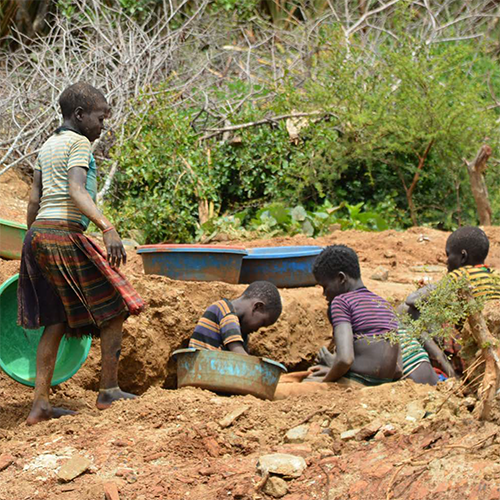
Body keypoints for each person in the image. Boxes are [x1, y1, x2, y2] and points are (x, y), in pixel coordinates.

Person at [18, 82, 145, 425]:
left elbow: (34, 200)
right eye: (101, 118)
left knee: (55, 320)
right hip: (63, 234)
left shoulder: (47, 145)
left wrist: (31, 243)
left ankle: (40, 404)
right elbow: (76, 191)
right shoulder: (77, 143)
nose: (103, 125)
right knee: (116, 305)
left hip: (39, 235)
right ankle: (109, 390)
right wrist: (107, 226)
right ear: (79, 115)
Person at [404, 226, 500, 376]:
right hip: (493, 350)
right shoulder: (495, 276)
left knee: (407, 312)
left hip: (469, 352)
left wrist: (432, 288)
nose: (446, 261)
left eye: (448, 255)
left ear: (463, 257)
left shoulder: (458, 276)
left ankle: (449, 371)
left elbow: (412, 300)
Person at [309, 245, 400, 386]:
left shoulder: (341, 302)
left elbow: (345, 359)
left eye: (325, 286)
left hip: (358, 381)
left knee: (308, 381)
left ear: (341, 278)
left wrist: (326, 382)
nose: (324, 294)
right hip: (384, 385)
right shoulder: (384, 305)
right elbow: (398, 370)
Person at [189, 281, 282, 354]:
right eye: (262, 323)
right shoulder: (224, 310)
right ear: (257, 306)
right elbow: (239, 354)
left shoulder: (240, 331)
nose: (257, 329)